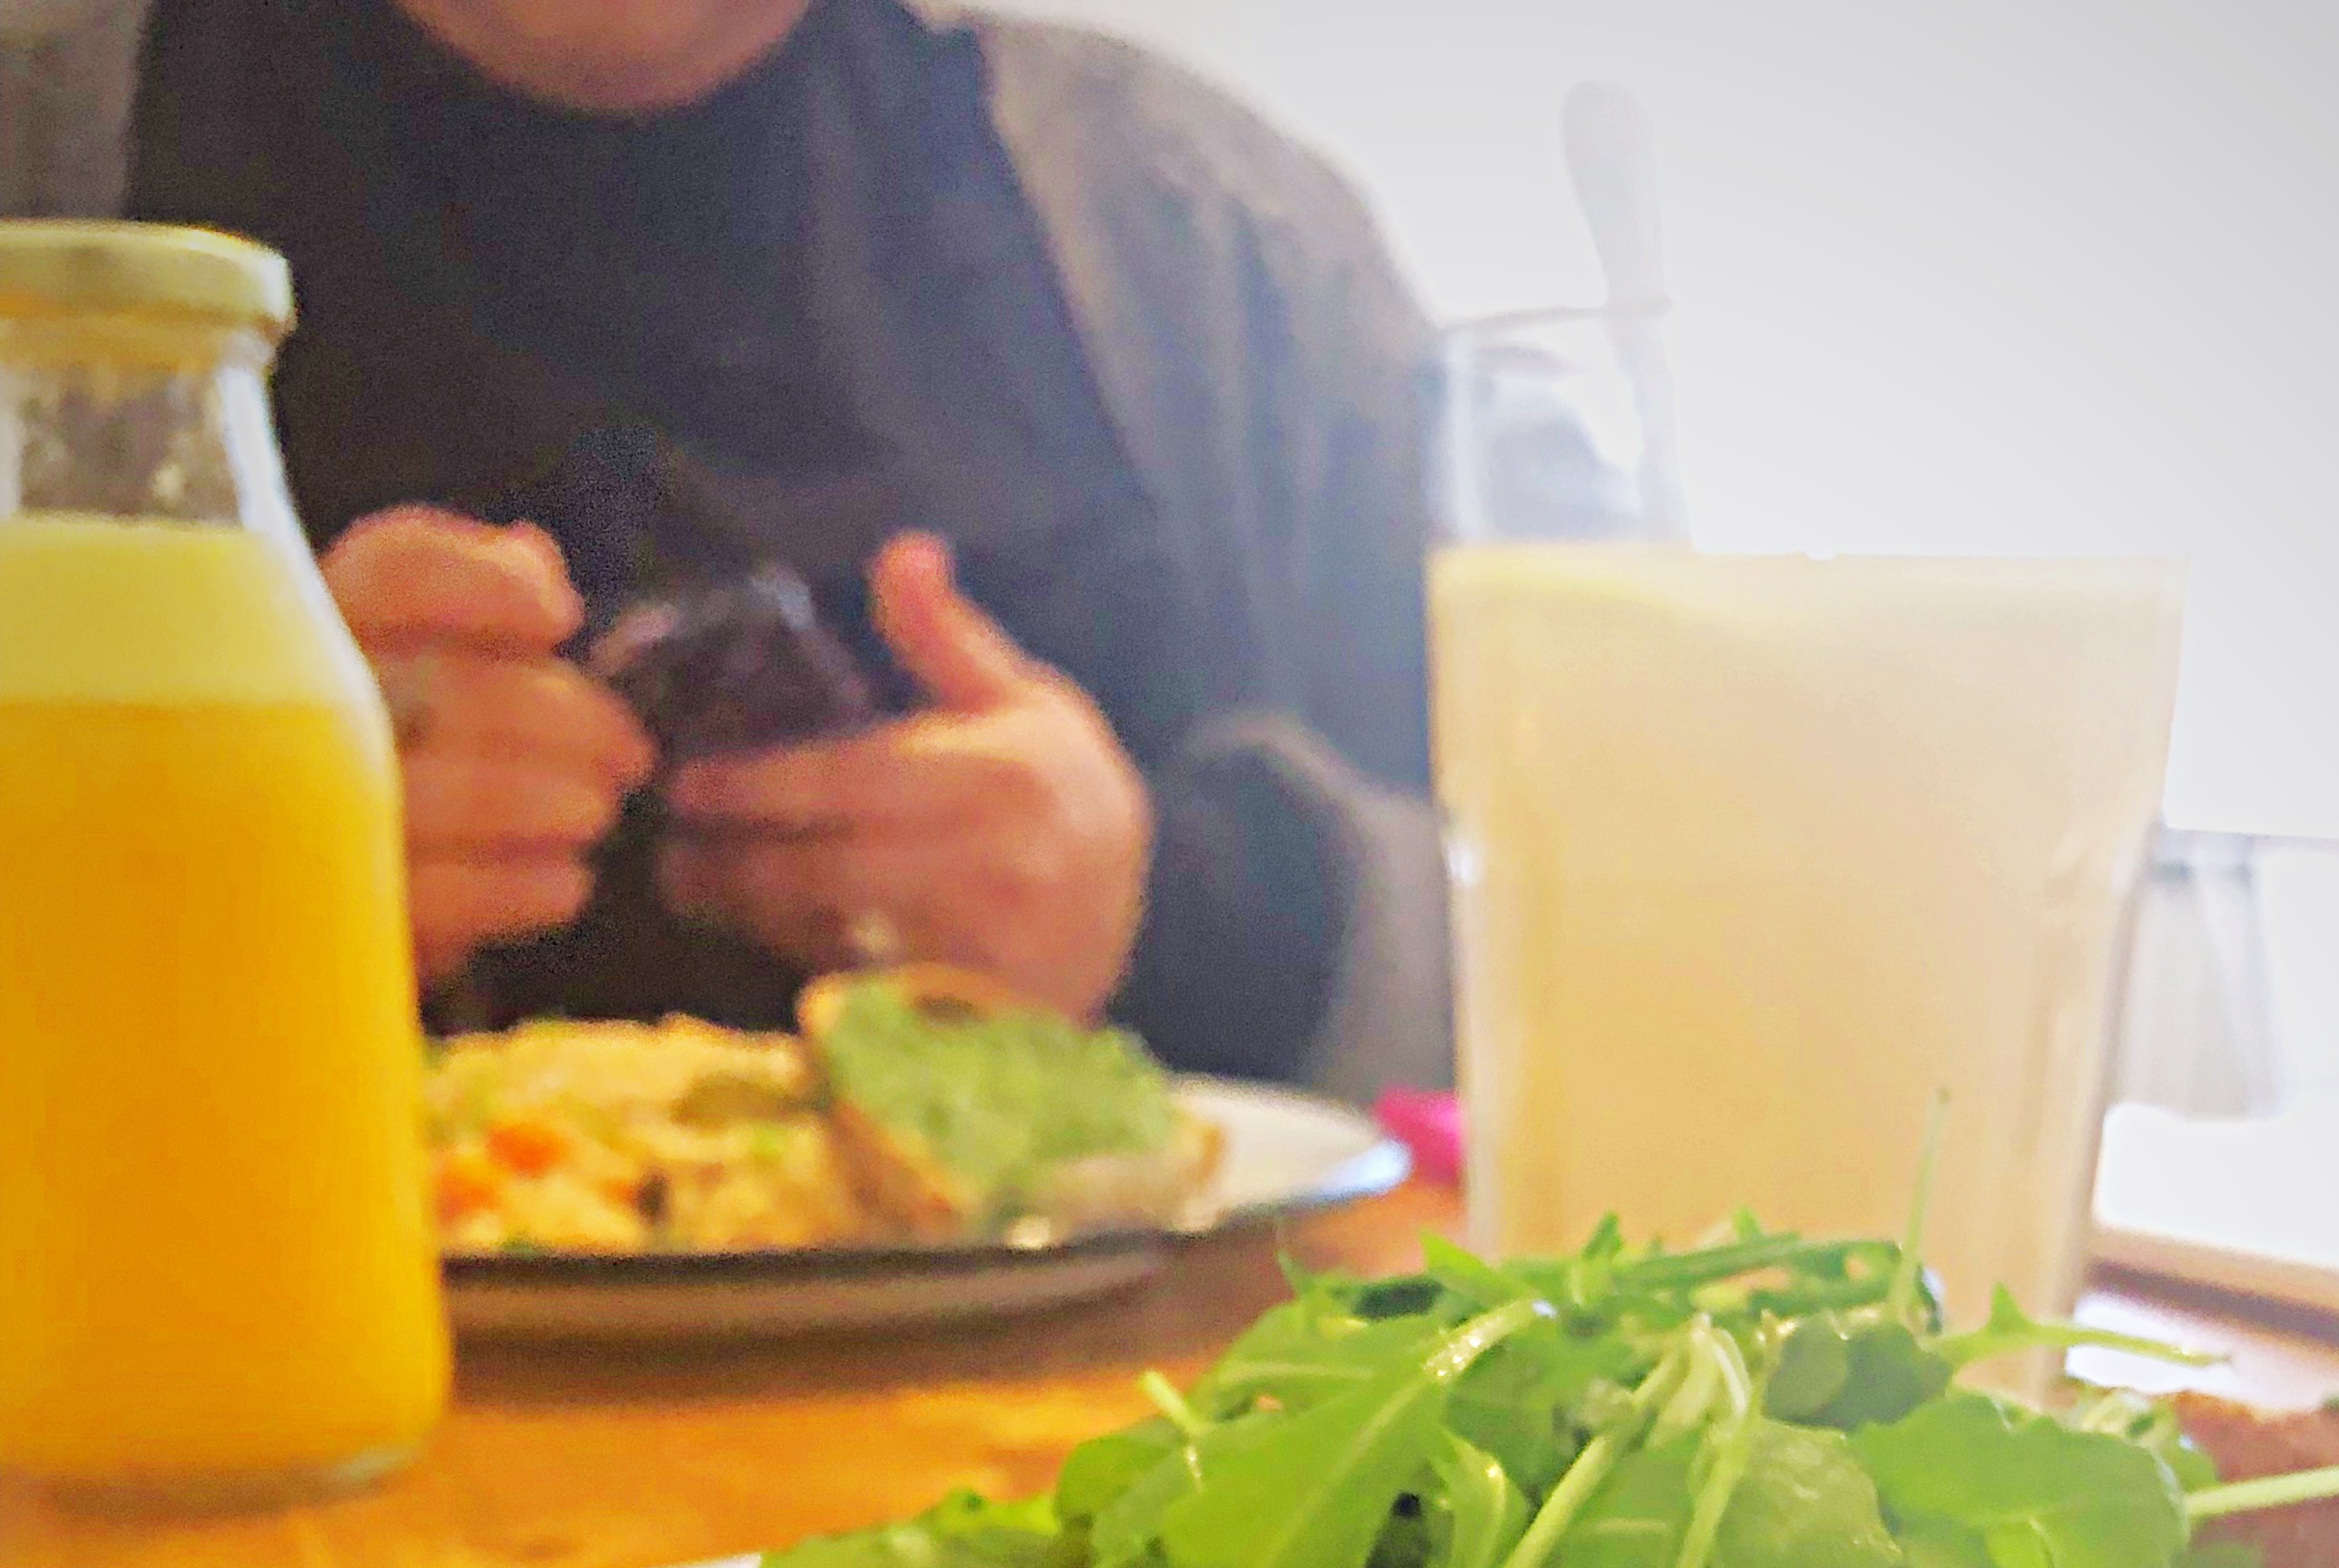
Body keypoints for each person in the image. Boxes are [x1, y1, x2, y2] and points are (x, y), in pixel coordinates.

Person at [1, 0, 1449, 1095]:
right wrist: (149, 881)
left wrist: (1170, 916)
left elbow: (1526, 959)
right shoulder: (45, 142)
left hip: (1119, 1401)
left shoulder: (1223, 246)